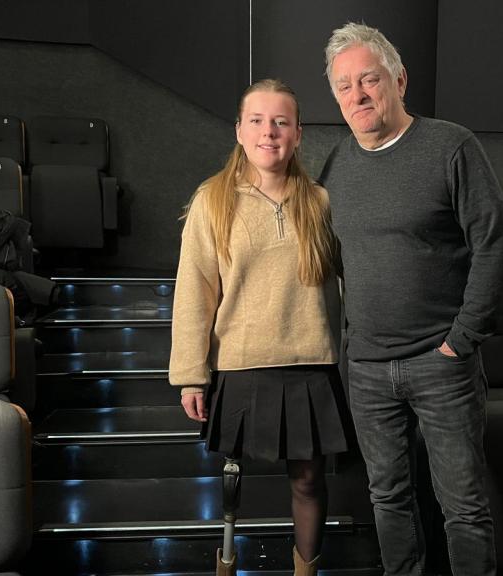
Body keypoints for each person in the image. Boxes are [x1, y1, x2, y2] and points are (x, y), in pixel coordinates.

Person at [319, 23, 503, 576]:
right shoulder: (335, 165)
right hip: (368, 369)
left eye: (369, 80)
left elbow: (494, 247)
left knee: (463, 506)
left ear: (399, 80)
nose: (356, 95)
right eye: (343, 86)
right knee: (388, 500)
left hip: (441, 363)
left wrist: (461, 341)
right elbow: (331, 262)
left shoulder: (452, 146)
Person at [169, 78, 348, 576]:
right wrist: (190, 372)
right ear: (239, 131)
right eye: (257, 120)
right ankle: (227, 564)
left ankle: (306, 571)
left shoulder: (321, 202)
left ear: (297, 134)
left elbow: (352, 283)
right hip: (241, 362)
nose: (269, 132)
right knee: (232, 482)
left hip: (310, 362)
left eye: (281, 122)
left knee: (309, 481)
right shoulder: (212, 200)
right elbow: (194, 291)